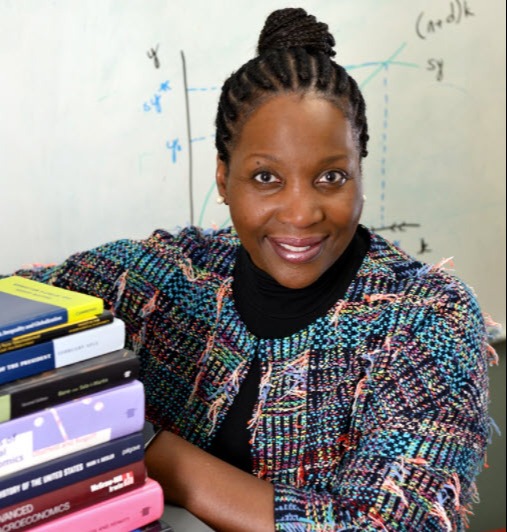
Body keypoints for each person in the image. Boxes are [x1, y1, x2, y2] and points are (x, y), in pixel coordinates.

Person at [7, 8, 496, 531]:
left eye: (331, 177)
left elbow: (388, 525)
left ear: (359, 172)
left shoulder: (426, 319)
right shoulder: (164, 278)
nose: (301, 214)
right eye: (266, 177)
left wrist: (156, 453)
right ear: (223, 179)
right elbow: (18, 303)